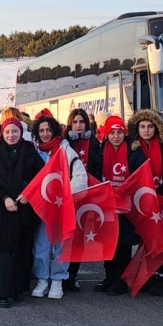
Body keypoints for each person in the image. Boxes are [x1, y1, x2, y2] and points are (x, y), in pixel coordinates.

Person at [0, 118, 41, 308]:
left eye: (14, 132)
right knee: (6, 251)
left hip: (26, 207)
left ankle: (18, 289)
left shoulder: (30, 151)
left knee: (24, 249)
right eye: (7, 132)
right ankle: (3, 292)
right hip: (5, 209)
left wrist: (29, 193)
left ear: (20, 132)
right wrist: (4, 197)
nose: (11, 135)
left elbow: (40, 176)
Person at [29, 112, 87, 300]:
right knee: (41, 246)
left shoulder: (65, 150)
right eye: (42, 130)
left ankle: (58, 280)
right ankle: (42, 279)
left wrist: (66, 195)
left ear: (55, 131)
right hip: (42, 208)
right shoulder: (34, 151)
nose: (46, 134)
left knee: (62, 246)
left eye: (49, 130)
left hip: (62, 206)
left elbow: (80, 177)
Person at [88, 115, 142, 296]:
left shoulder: (133, 152)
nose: (116, 136)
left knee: (123, 243)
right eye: (112, 133)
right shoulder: (101, 151)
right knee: (107, 242)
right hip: (106, 204)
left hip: (126, 206)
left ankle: (121, 279)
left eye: (119, 132)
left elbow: (140, 176)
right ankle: (109, 276)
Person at [127, 109, 163, 295]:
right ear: (137, 129)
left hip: (162, 198)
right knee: (146, 237)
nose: (146, 130)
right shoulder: (133, 149)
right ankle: (149, 273)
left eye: (150, 126)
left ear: (157, 128)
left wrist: (162, 194)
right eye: (142, 126)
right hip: (141, 199)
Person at [63, 108, 101, 291]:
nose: (78, 126)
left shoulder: (94, 144)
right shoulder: (63, 144)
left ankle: (72, 275)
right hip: (66, 196)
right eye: (75, 122)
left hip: (87, 196)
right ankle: (61, 274)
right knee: (65, 237)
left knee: (79, 238)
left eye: (82, 122)